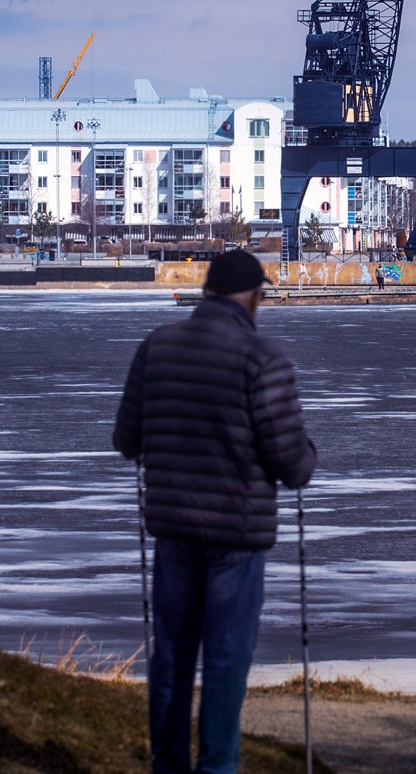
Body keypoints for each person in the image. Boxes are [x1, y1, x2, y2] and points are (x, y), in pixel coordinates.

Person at [113, 249, 316, 774]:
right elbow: (291, 464)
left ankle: (167, 764)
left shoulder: (156, 349)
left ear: (207, 293)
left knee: (172, 654)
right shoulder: (262, 359)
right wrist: (307, 456)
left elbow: (126, 440)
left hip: (174, 528)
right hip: (236, 534)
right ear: (251, 298)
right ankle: (218, 766)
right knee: (226, 658)